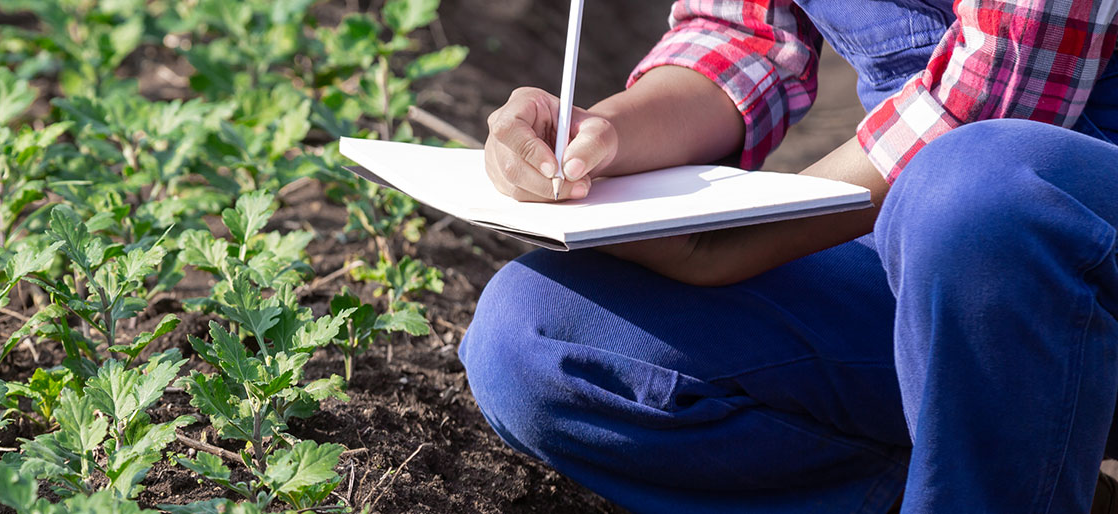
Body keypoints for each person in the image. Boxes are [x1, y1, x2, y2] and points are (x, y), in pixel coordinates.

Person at [461, 0, 1118, 513]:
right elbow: (740, 34)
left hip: (1038, 238)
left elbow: (1003, 85)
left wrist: (734, 241)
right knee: (539, 334)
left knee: (978, 199)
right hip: (936, 253)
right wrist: (598, 137)